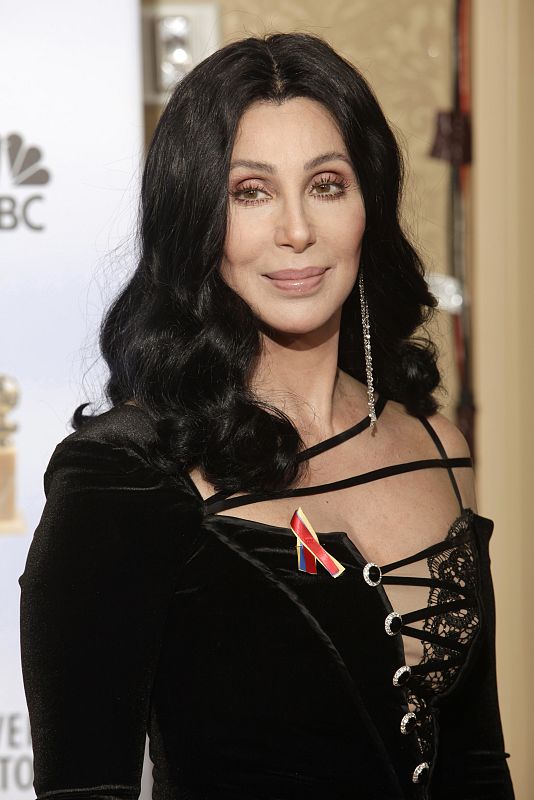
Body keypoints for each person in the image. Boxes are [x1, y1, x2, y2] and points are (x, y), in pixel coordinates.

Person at [19, 31, 514, 800]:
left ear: (367, 206)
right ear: (199, 220)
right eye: (250, 192)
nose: (295, 230)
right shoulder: (126, 473)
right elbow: (84, 789)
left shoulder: (437, 446)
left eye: (326, 184)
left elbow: (478, 764)